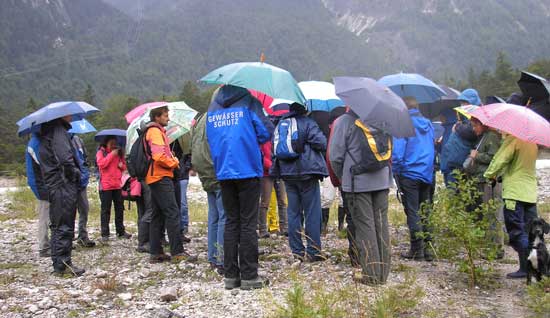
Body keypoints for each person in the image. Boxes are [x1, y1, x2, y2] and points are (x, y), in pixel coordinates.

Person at [206, 85, 273, 290]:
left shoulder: (213, 108)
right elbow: (265, 131)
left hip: (224, 170)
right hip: (247, 168)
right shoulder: (250, 102)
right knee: (248, 223)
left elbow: (210, 138)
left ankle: (231, 276)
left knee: (231, 222)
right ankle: (249, 276)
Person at [329, 108, 392, 285]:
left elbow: (335, 156)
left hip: (358, 182)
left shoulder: (344, 121)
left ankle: (371, 275)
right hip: (382, 179)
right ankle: (383, 273)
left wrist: (343, 178)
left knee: (365, 227)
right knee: (381, 225)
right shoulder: (382, 118)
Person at [270, 103, 328, 263]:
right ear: (305, 109)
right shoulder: (308, 122)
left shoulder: (281, 123)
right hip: (307, 173)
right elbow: (322, 143)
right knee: (312, 212)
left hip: (287, 174)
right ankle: (314, 251)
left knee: (293, 212)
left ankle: (297, 251)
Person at [145, 106, 197, 263]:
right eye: (165, 115)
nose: (168, 118)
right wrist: (174, 162)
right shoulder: (154, 132)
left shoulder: (156, 131)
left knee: (157, 214)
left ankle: (155, 252)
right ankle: (177, 252)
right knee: (173, 212)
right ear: (157, 117)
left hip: (155, 177)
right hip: (161, 176)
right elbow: (159, 156)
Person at [484, 134, 539, 279]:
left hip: (515, 193)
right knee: (530, 232)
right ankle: (530, 267)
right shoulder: (532, 142)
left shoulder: (513, 139)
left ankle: (528, 268)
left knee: (516, 232)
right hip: (530, 194)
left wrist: (489, 174)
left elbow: (501, 159)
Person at [38, 116, 84, 276]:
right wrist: (75, 173)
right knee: (64, 224)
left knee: (57, 224)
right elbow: (65, 159)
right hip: (63, 183)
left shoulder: (47, 133)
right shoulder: (59, 132)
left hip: (54, 184)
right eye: (68, 113)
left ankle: (59, 263)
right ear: (61, 116)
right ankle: (64, 264)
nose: (71, 116)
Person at [392, 97, 435, 261]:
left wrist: (396, 171)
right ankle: (429, 249)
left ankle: (417, 250)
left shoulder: (403, 124)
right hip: (426, 172)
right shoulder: (428, 123)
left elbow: (397, 153)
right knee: (426, 210)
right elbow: (431, 145)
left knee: (413, 211)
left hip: (409, 172)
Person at [191, 112, 225, 275]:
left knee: (214, 217)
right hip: (217, 171)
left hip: (204, 172)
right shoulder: (219, 117)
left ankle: (213, 257)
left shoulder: (201, 119)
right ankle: (222, 258)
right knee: (225, 216)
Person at [466, 117, 504, 257]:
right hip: (483, 178)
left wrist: (477, 156)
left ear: (482, 124)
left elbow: (493, 158)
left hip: (491, 179)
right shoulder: (484, 137)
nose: (473, 128)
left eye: (475, 125)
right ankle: (491, 246)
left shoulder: (492, 137)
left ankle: (496, 249)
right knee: (488, 213)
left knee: (493, 213)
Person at [440, 88, 481, 186]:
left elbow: (472, 133)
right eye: (462, 103)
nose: (463, 105)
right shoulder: (461, 120)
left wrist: (458, 126)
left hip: (459, 164)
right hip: (450, 163)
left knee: (456, 193)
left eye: (465, 102)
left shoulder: (476, 118)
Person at [96, 136, 131, 242]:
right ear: (106, 143)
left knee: (119, 209)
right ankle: (105, 234)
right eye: (111, 143)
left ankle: (120, 231)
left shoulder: (119, 153)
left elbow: (124, 166)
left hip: (117, 185)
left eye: (115, 143)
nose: (113, 145)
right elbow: (102, 164)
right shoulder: (101, 153)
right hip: (106, 186)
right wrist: (112, 155)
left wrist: (122, 166)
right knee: (106, 210)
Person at [26, 133, 50, 257]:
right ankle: (44, 247)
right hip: (40, 184)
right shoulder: (35, 143)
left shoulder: (38, 141)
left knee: (48, 215)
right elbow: (45, 163)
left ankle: (48, 244)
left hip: (43, 183)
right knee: (45, 216)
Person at [71, 134, 96, 247]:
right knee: (69, 211)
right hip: (70, 182)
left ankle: (82, 236)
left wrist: (84, 173)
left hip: (82, 181)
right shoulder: (62, 141)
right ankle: (68, 238)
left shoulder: (79, 140)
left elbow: (84, 159)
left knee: (84, 209)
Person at [172, 140, 192, 243]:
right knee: (174, 204)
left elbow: (189, 155)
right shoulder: (167, 142)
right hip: (173, 176)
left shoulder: (184, 142)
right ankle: (177, 229)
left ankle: (184, 225)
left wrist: (186, 168)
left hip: (183, 175)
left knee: (182, 202)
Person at [258, 141, 274, 238]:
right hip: (264, 174)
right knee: (264, 203)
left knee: (266, 202)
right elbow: (261, 156)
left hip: (270, 172)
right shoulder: (261, 139)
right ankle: (262, 229)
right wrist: (272, 166)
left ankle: (264, 228)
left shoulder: (271, 138)